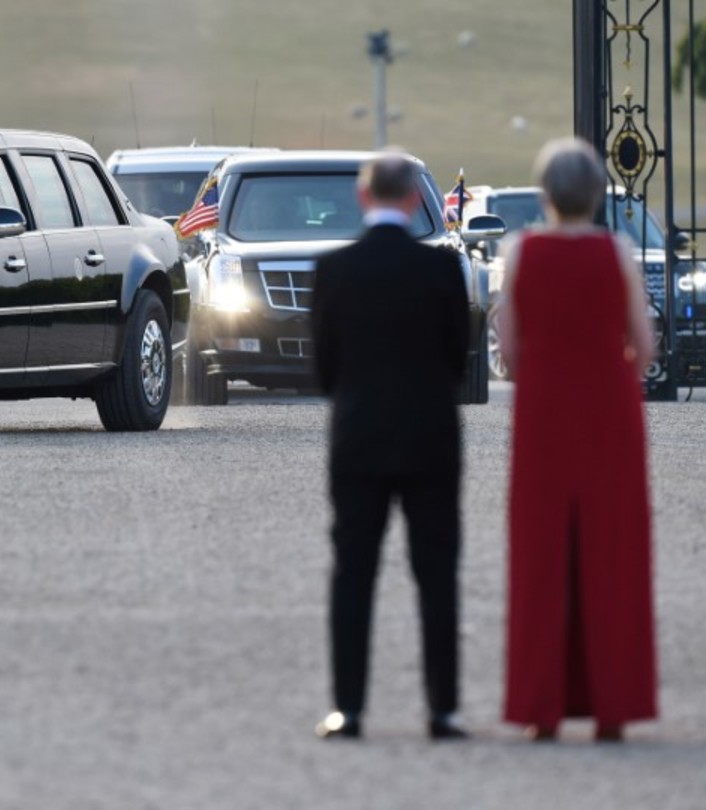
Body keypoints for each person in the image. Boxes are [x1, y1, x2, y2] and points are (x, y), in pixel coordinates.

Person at [498, 138, 657, 743]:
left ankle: (540, 707)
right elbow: (643, 345)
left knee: (540, 553)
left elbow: (509, 350)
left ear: (546, 194)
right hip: (608, 410)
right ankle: (613, 705)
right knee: (613, 550)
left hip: (544, 409)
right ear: (595, 194)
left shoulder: (521, 251)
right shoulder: (617, 252)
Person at [310, 154, 470, 741]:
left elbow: (324, 367)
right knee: (437, 574)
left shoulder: (335, 269)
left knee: (354, 573)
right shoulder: (442, 268)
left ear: (363, 197)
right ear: (411, 200)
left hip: (359, 435)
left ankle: (349, 707)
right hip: (430, 434)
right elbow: (457, 358)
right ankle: (443, 709)